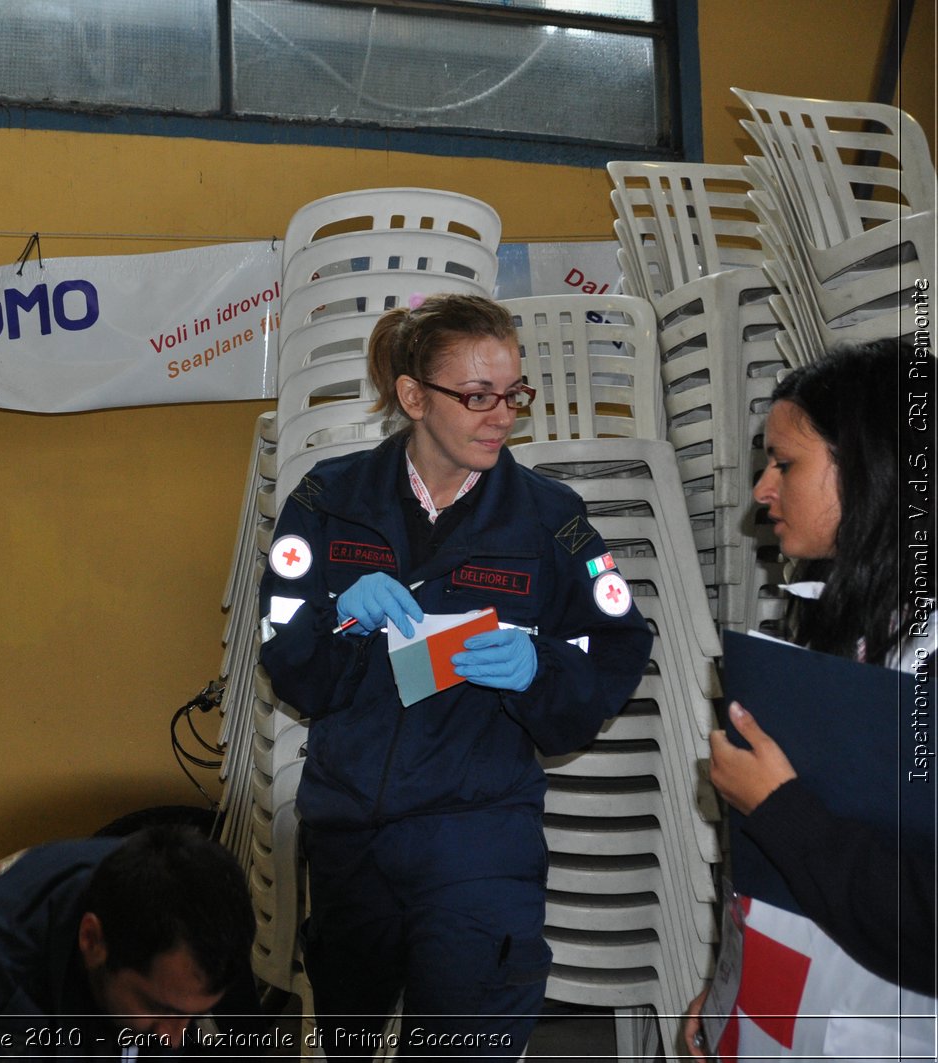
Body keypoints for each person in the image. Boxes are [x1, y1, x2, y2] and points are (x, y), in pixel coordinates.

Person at [258, 293, 652, 1057]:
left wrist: (543, 669)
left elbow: (619, 645)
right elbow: (288, 663)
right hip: (349, 837)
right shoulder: (323, 502)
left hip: (479, 837)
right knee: (347, 1039)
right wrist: (339, 615)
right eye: (476, 396)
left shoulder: (554, 519)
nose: (501, 415)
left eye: (513, 395)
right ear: (413, 397)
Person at [682, 340, 937, 1060]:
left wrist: (777, 806)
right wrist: (734, 986)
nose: (762, 491)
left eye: (785, 464)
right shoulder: (839, 629)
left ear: (873, 470)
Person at [0, 825, 258, 1058]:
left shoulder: (203, 934)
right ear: (92, 940)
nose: (174, 1038)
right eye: (158, 1009)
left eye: (195, 1013)